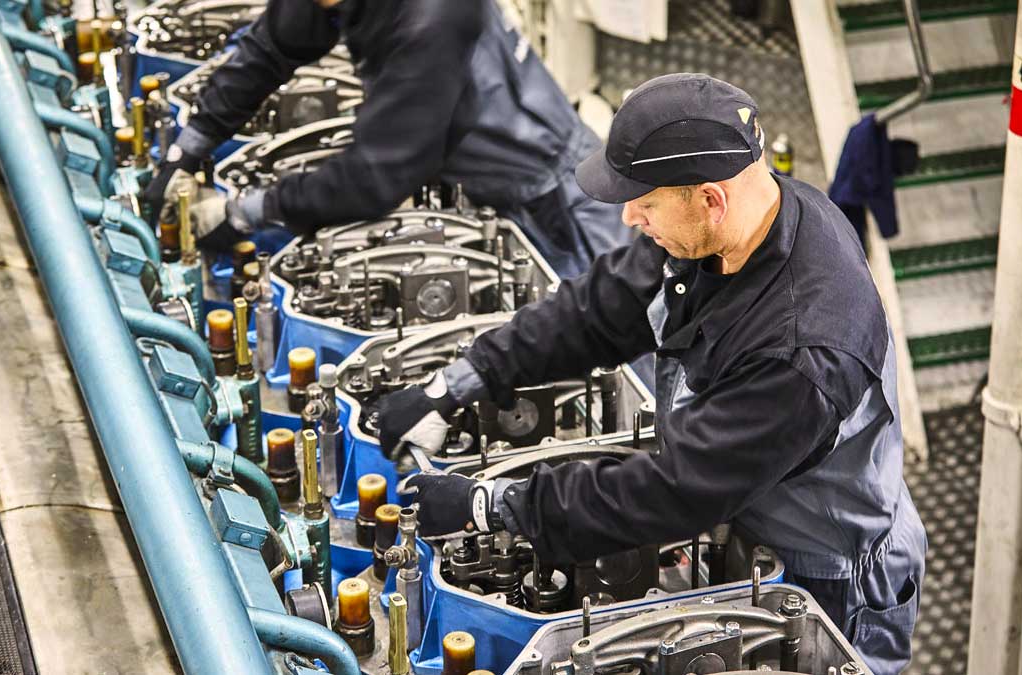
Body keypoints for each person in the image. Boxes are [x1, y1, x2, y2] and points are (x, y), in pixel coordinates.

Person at [377, 74, 926, 675]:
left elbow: (677, 487)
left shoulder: (802, 347)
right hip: (745, 510)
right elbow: (601, 308)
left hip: (832, 579)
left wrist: (492, 505)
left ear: (710, 199)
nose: (631, 218)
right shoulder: (728, 226)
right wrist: (459, 381)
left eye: (644, 201)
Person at [144, 0, 635, 277]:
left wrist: (240, 213)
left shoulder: (432, 17)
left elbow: (374, 178)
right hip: (484, 190)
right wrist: (188, 148)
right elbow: (268, 49)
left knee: (631, 358)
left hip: (564, 204)